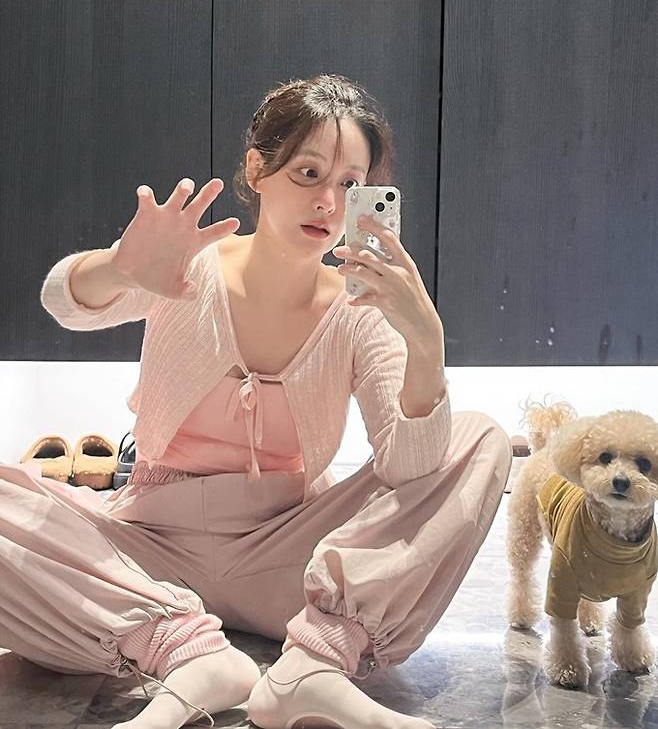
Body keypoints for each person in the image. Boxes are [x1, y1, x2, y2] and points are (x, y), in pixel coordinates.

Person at [2, 74, 512, 729]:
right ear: (257, 170)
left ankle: (312, 667)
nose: (328, 201)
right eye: (308, 173)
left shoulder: (361, 311)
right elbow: (63, 301)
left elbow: (411, 467)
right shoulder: (191, 266)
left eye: (350, 185)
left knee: (480, 437)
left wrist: (425, 343)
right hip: (146, 551)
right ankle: (186, 653)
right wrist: (119, 267)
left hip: (287, 562)